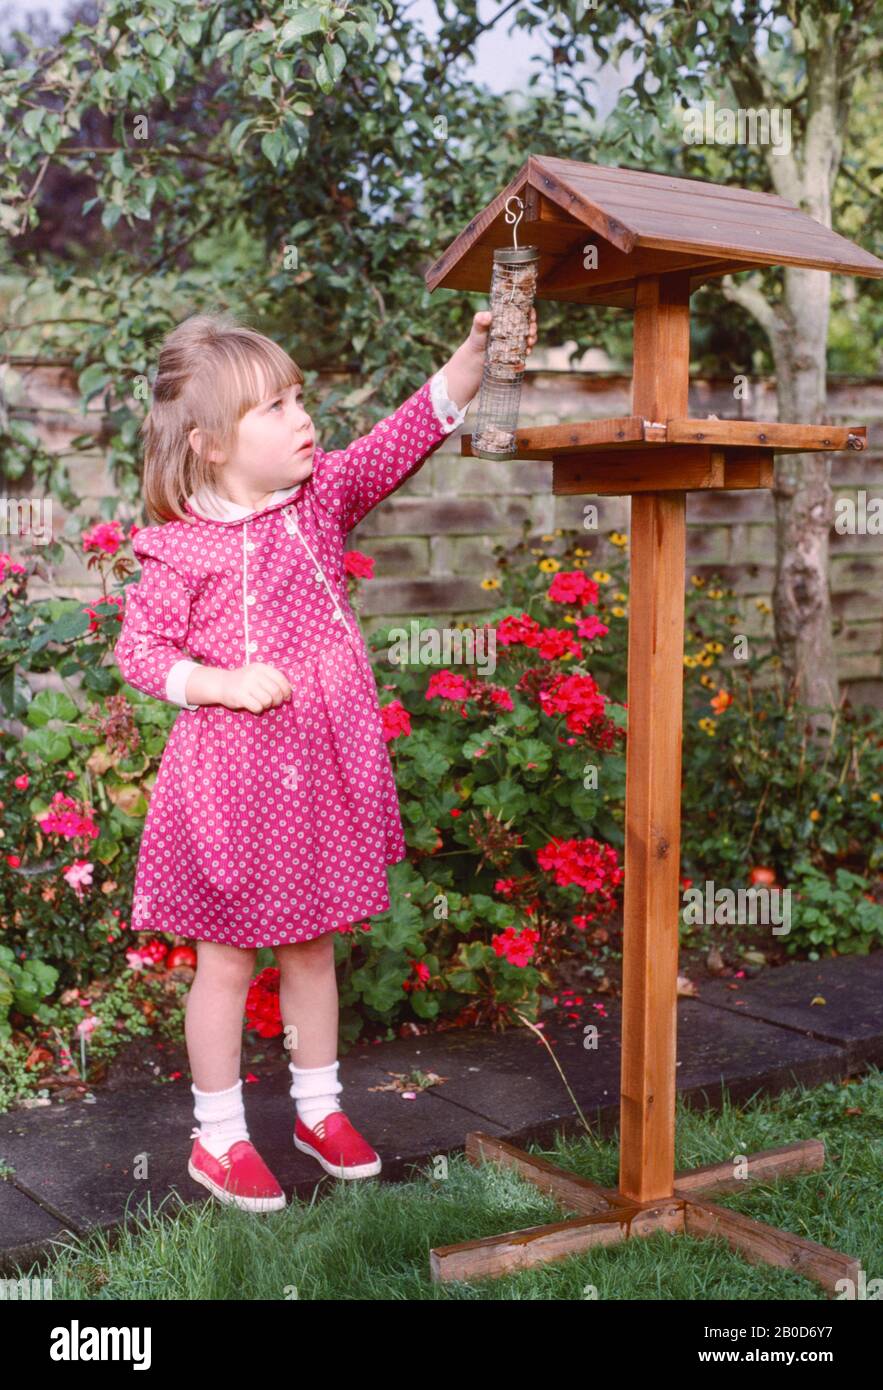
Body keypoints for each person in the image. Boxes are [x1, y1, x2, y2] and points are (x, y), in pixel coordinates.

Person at [114, 305, 538, 1213]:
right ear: (208, 445)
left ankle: (317, 1108)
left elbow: (406, 434)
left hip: (320, 776)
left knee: (313, 946)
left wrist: (471, 357)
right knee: (224, 961)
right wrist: (218, 684)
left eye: (299, 397)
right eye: (275, 407)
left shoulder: (323, 499)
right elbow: (140, 652)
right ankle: (219, 1137)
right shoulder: (181, 546)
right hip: (229, 788)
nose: (304, 418)